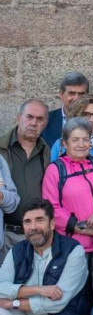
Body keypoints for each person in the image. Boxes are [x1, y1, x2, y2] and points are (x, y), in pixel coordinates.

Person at [42, 117, 93, 288]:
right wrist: (77, 226)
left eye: (85, 139)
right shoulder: (55, 170)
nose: (81, 144)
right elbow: (52, 207)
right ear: (64, 143)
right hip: (71, 243)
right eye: (75, 140)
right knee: (71, 294)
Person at [0, 100, 49, 258]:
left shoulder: (46, 152)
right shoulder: (2, 149)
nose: (34, 123)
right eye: (29, 117)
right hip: (5, 231)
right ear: (18, 118)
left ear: (45, 123)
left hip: (36, 234)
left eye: (40, 119)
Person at [41, 71, 93, 148]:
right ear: (61, 94)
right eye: (72, 93)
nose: (76, 98)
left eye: (81, 94)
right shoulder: (46, 120)